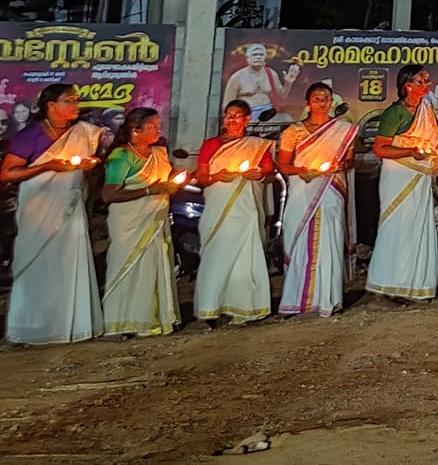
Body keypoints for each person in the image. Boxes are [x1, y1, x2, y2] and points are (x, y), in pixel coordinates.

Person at [2, 83, 104, 345]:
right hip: (38, 210)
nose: (75, 105)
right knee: (37, 265)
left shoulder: (82, 133)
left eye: (76, 100)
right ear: (51, 106)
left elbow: (90, 170)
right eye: (69, 100)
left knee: (68, 264)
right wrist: (49, 166)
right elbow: (7, 173)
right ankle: (32, 328)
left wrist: (90, 164)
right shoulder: (31, 135)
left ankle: (71, 326)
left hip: (71, 209)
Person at [278, 82, 360, 319]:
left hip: (331, 190)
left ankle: (329, 300)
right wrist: (301, 170)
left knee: (329, 241)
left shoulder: (343, 129)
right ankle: (296, 302)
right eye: (317, 98)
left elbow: (349, 161)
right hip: (303, 191)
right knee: (299, 242)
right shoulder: (293, 131)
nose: (322, 102)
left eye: (326, 98)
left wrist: (341, 165)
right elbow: (283, 164)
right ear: (308, 102)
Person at [99, 107, 181, 338]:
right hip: (129, 223)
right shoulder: (121, 156)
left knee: (154, 266)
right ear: (135, 130)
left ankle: (155, 320)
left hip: (155, 220)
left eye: (158, 126)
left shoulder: (159, 153)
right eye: (153, 126)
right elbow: (108, 194)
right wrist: (148, 190)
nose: (158, 130)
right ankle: (123, 322)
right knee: (129, 268)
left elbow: (164, 182)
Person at [366, 66, 438, 303]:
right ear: (408, 85)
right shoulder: (394, 113)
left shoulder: (427, 109)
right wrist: (411, 151)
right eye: (422, 80)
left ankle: (416, 285)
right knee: (397, 227)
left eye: (428, 80)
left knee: (419, 227)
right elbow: (380, 148)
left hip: (421, 177)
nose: (428, 84)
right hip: (399, 176)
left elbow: (435, 140)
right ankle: (390, 285)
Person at [193, 98, 275, 325]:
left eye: (236, 115)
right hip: (220, 208)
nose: (231, 119)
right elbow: (200, 177)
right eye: (228, 115)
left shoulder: (257, 145)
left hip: (247, 209)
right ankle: (212, 307)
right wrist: (216, 177)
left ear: (247, 119)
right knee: (217, 254)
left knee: (246, 256)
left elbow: (268, 172)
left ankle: (246, 307)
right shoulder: (211, 144)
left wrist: (257, 174)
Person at [220, 42, 299, 122]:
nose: (258, 57)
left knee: (287, 119)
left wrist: (289, 82)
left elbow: (282, 96)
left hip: (267, 114)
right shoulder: (237, 77)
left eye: (261, 55)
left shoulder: (271, 73)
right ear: (248, 58)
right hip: (246, 115)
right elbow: (227, 104)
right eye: (255, 55)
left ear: (265, 57)